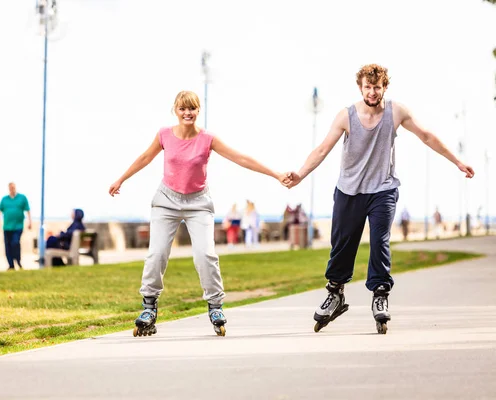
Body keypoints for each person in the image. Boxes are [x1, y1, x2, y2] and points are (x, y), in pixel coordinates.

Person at [285, 64, 474, 334]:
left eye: (377, 87)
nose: (372, 92)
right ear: (360, 88)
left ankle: (380, 294)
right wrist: (301, 174)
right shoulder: (346, 116)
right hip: (349, 191)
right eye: (367, 87)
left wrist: (457, 161)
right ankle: (335, 293)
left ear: (385, 87)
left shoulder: (396, 112)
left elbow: (427, 136)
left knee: (379, 241)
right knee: (342, 245)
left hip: (383, 190)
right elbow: (322, 149)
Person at [109, 90, 288, 337]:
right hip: (166, 200)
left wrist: (276, 174)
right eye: (183, 109)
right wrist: (121, 179)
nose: (187, 113)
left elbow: (241, 158)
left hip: (198, 202)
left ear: (198, 110)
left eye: (192, 108)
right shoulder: (163, 135)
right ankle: (149, 307)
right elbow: (144, 158)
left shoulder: (207, 139)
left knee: (205, 255)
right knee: (157, 253)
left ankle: (215, 306)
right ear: (175, 110)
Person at [0, 182, 32, 271]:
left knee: (15, 243)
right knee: (8, 246)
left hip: (18, 226)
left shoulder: (22, 198)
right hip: (7, 226)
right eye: (10, 188)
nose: (12, 189)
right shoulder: (4, 199)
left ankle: (18, 261)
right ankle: (11, 265)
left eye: (13, 187)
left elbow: (28, 210)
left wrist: (30, 221)